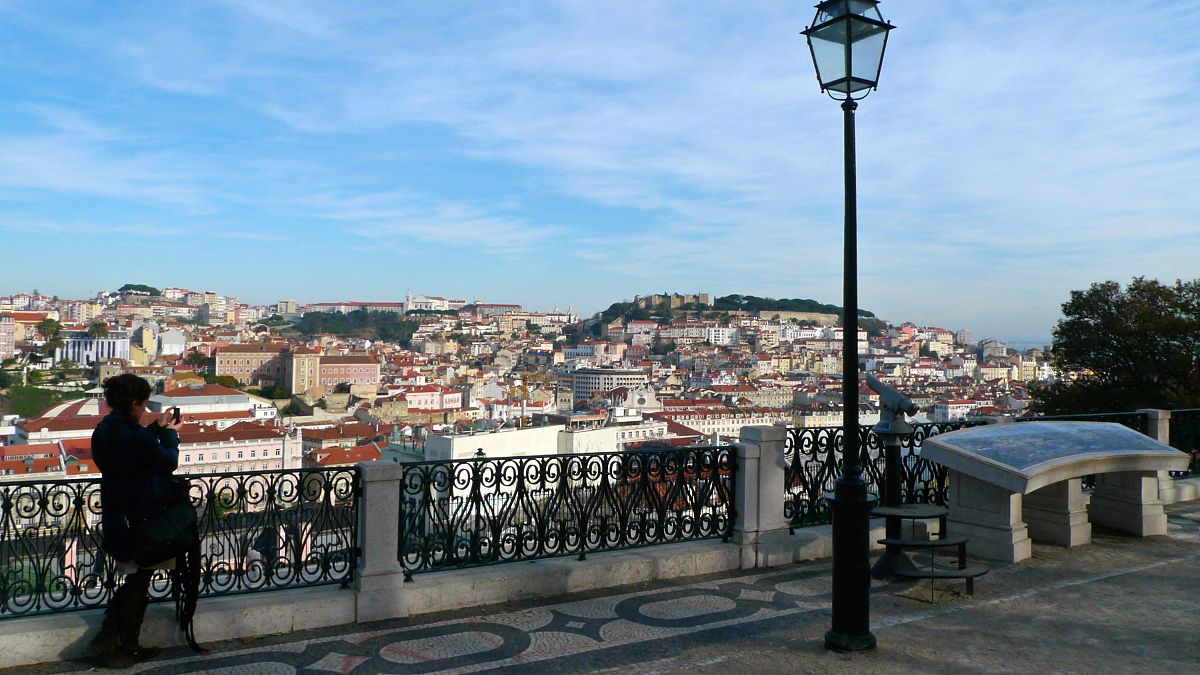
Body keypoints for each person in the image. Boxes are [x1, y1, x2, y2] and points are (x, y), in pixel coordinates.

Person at [88, 374, 182, 668]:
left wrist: (156, 427)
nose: (144, 409)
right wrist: (170, 434)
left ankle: (118, 641)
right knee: (139, 580)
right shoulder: (136, 436)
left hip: (116, 514)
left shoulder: (102, 431)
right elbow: (167, 462)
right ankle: (114, 641)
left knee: (135, 578)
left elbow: (132, 447)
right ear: (134, 403)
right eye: (142, 404)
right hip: (142, 517)